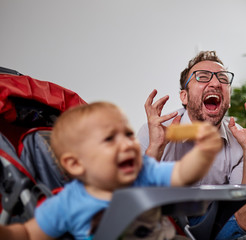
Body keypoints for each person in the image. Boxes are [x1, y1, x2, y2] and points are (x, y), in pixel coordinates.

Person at [0, 101, 222, 240]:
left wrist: (203, 153)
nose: (127, 144)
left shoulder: (143, 172)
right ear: (76, 164)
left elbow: (183, 173)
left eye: (128, 134)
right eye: (109, 139)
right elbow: (28, 233)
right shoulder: (68, 203)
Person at [137, 50, 246, 239]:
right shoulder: (155, 130)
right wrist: (155, 148)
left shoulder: (240, 138)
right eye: (202, 77)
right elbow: (135, 207)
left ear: (228, 100)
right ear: (184, 97)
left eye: (222, 79)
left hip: (216, 226)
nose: (215, 83)